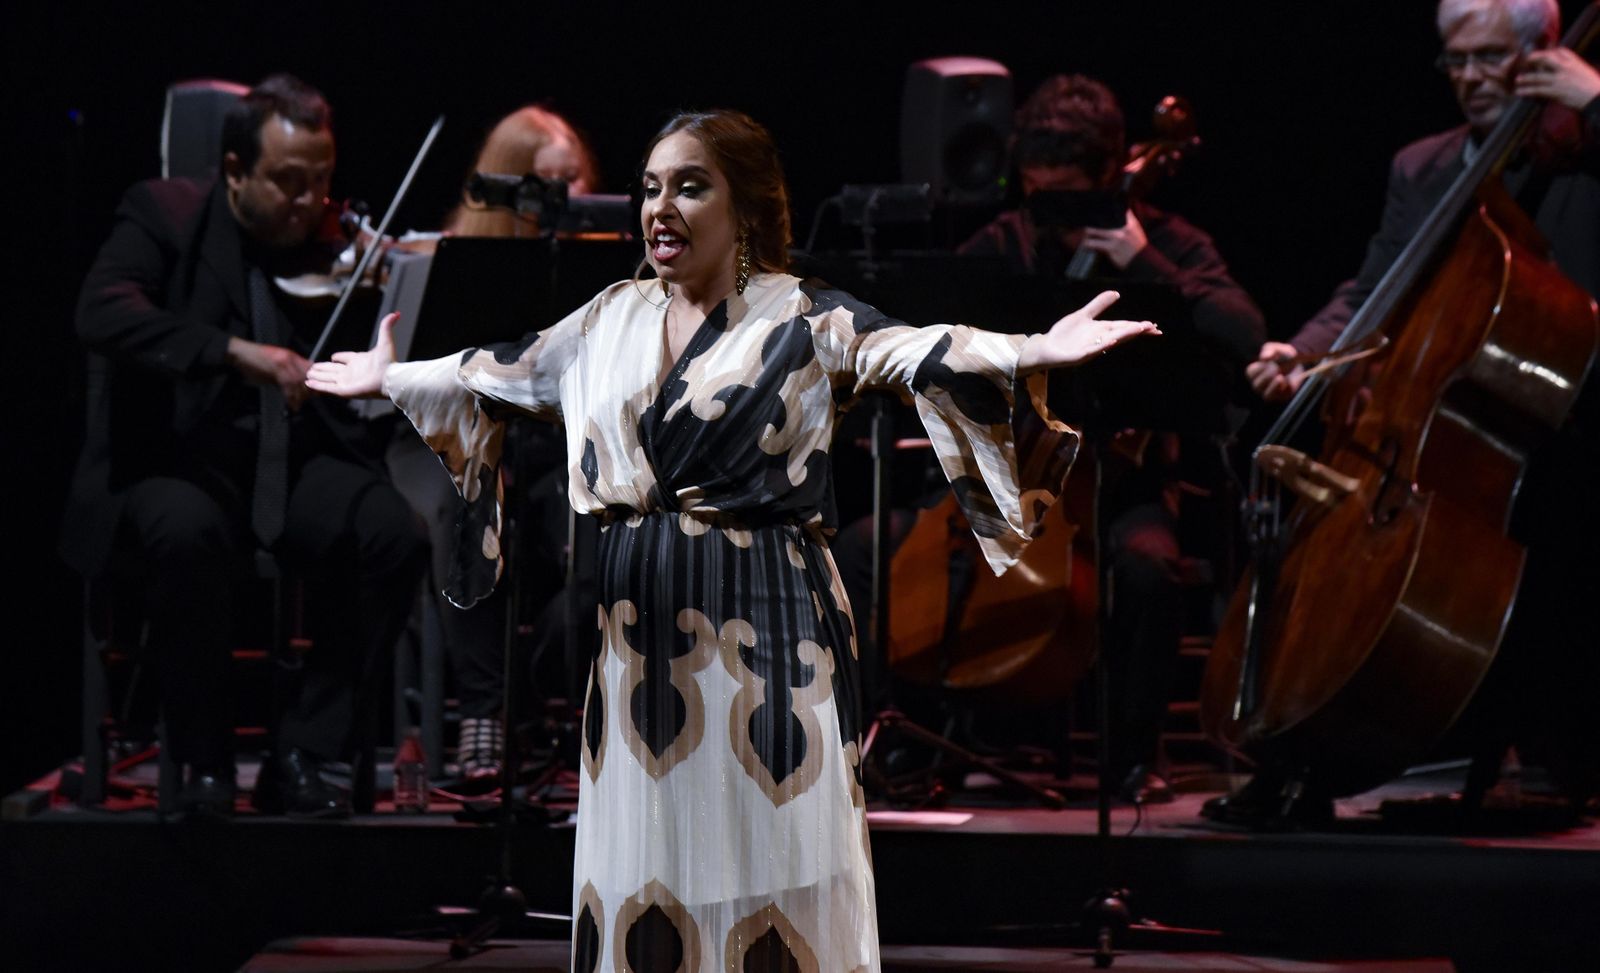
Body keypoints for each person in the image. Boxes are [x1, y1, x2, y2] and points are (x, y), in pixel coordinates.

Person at [309, 109, 1156, 970]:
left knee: (768, 851)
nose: (660, 208)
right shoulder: (607, 319)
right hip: (639, 648)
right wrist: (394, 376)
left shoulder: (800, 317)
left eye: (688, 185)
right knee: (650, 865)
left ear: (744, 207)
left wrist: (1032, 348)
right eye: (649, 188)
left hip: (769, 632)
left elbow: (912, 350)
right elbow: (497, 370)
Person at [1226, 0, 1599, 826]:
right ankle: (1302, 742)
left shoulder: (1587, 152)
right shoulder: (1422, 166)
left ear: (1542, 49)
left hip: (1574, 414)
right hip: (1458, 425)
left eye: (1488, 59)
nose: (1469, 80)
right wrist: (1307, 352)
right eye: (1454, 62)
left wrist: (1593, 100)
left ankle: (1549, 750)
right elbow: (1371, 293)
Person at [879, 74, 1262, 805]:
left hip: (1116, 484)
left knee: (1148, 567)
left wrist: (1141, 261)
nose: (1047, 214)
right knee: (869, 553)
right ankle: (920, 735)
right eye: (1036, 192)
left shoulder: (1169, 243)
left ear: (1110, 177)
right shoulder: (1001, 244)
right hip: (997, 476)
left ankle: (1132, 755)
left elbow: (1242, 330)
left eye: (1068, 197)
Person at [64, 74, 428, 818]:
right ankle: (204, 759)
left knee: (391, 533)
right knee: (187, 533)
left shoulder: (333, 243)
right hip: (179, 456)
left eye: (323, 181)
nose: (311, 202)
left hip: (287, 460)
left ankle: (308, 748)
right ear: (235, 171)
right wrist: (234, 350)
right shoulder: (163, 212)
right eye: (289, 182)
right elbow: (102, 311)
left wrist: (401, 296)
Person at [384, 104, 601, 784]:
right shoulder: (449, 260)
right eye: (546, 185)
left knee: (605, 519)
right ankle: (485, 709)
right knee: (470, 498)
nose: (564, 202)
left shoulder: (594, 268)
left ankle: (549, 697)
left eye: (575, 184)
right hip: (440, 441)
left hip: (547, 445)